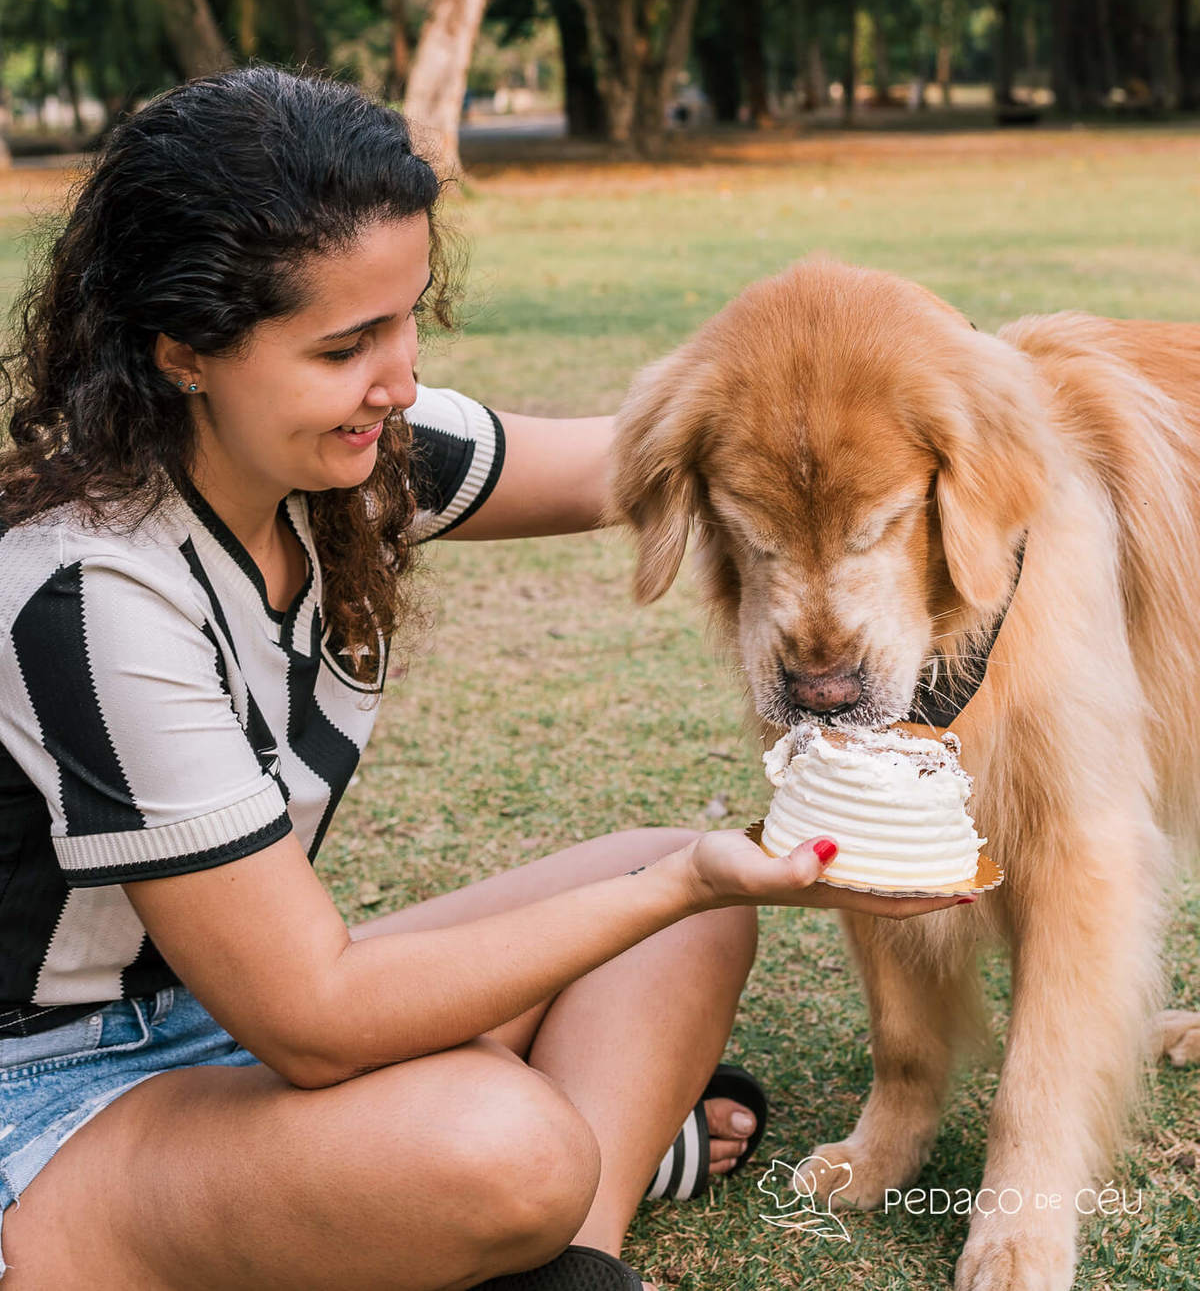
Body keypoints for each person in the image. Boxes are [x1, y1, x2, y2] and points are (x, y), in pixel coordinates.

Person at [0, 69, 968, 1291]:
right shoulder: (90, 589)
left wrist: (960, 405)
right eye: (345, 345)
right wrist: (674, 881)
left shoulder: (355, 455)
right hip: (44, 1097)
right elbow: (314, 1016)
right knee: (498, 1138)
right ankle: (498, 1194)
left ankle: (562, 1255)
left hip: (213, 1021)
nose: (398, 379)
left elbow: (656, 456)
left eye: (408, 318)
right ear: (185, 350)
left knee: (690, 919)